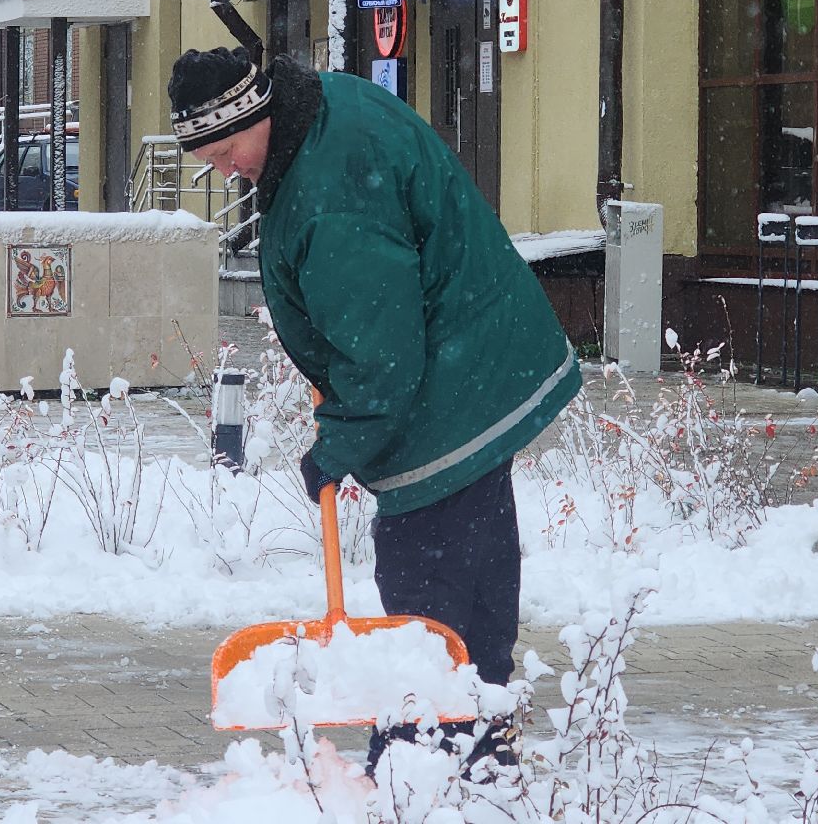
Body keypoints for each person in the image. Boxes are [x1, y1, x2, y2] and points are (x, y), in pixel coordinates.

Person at [168, 47, 580, 773]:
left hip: (447, 395)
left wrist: (338, 446)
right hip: (478, 368)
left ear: (259, 114)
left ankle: (421, 763)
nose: (227, 170)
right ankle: (481, 743)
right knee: (474, 573)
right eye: (212, 159)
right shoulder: (321, 111)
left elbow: (381, 351)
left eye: (229, 150)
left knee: (428, 597)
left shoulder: (330, 191)